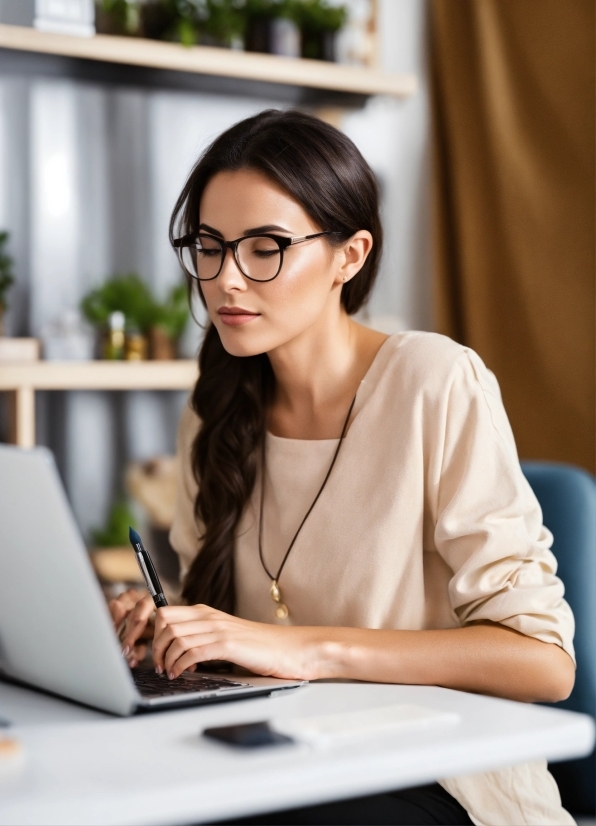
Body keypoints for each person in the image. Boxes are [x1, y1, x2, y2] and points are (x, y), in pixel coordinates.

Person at [110, 110, 576, 825]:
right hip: (278, 755)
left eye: (265, 248)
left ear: (349, 256)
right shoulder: (216, 407)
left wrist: (302, 650)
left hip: (440, 776)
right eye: (209, 247)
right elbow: (228, 616)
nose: (226, 279)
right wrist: (168, 623)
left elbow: (542, 662)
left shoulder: (435, 381)